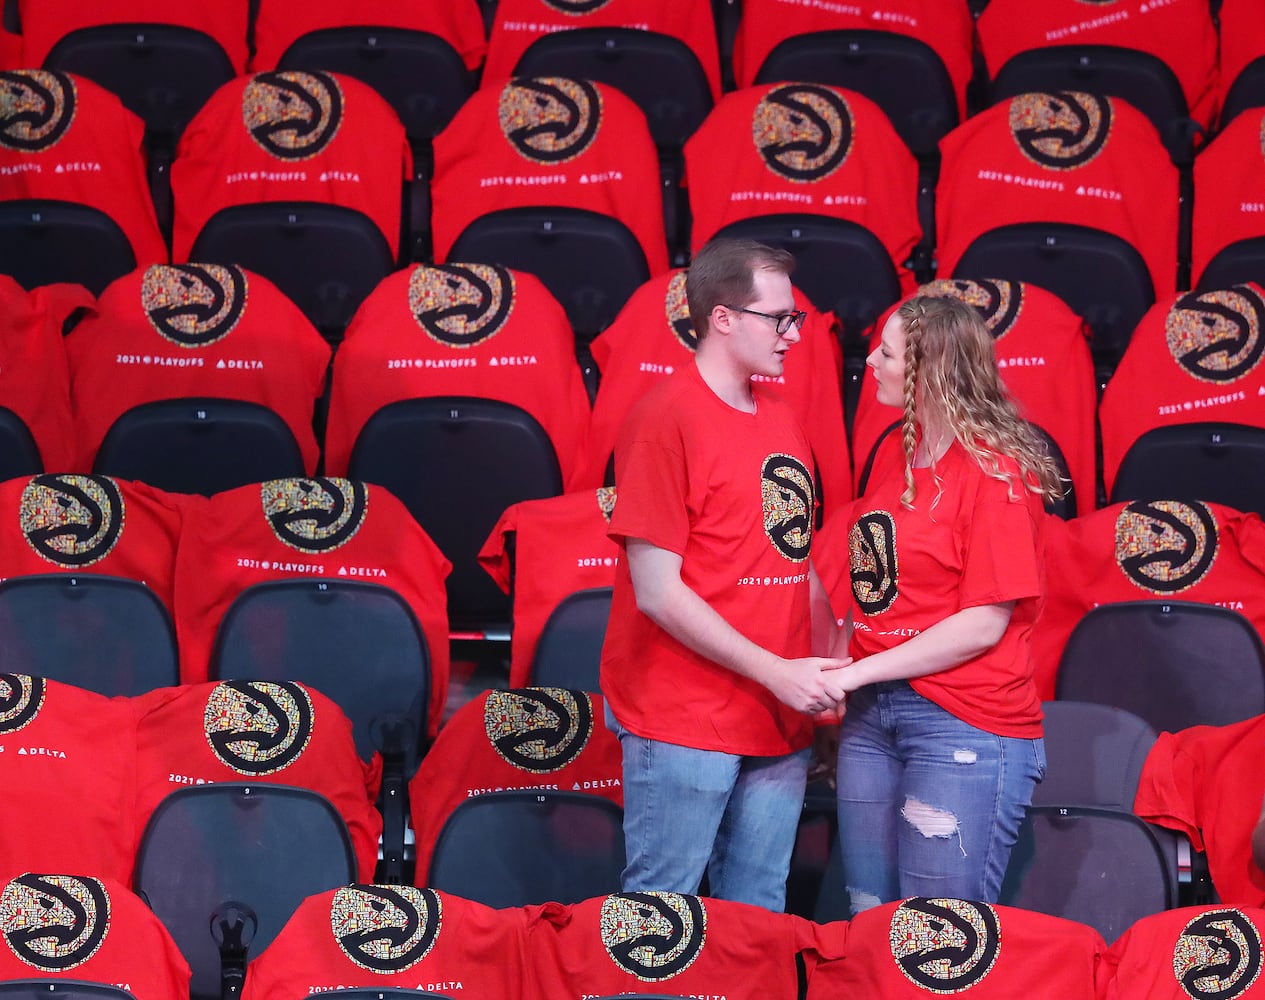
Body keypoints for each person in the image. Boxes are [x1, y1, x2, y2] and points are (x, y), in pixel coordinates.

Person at [598, 236, 849, 911]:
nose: (794, 334)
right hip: (686, 717)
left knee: (756, 917)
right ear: (723, 318)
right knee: (661, 917)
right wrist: (777, 672)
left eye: (795, 318)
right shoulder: (663, 419)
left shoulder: (782, 418)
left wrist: (825, 676)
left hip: (779, 716)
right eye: (780, 318)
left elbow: (794, 560)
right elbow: (657, 592)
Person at [828, 294, 1064, 912]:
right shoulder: (894, 451)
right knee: (869, 920)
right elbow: (879, 587)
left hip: (963, 719)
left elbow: (982, 625)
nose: (869, 363)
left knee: (937, 937)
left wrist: (855, 674)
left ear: (927, 372)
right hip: (872, 716)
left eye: (886, 354)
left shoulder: (995, 471)